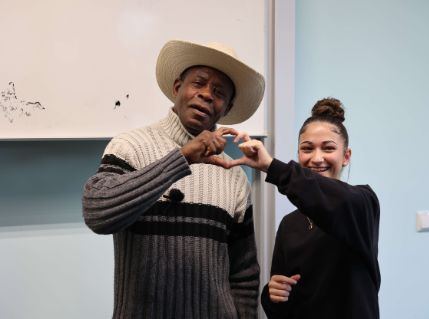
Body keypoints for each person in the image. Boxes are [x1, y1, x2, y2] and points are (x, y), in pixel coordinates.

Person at [82, 40, 265, 319]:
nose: (206, 95)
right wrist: (182, 158)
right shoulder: (130, 146)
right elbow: (98, 213)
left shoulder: (235, 176)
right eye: (199, 83)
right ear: (177, 88)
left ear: (226, 108)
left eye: (218, 92)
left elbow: (244, 275)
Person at [227, 98, 381, 318]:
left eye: (328, 148)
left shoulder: (362, 204)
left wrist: (272, 167)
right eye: (307, 149)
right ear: (299, 156)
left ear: (346, 156)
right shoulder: (290, 224)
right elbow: (280, 305)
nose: (317, 158)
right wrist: (272, 295)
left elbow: (333, 199)